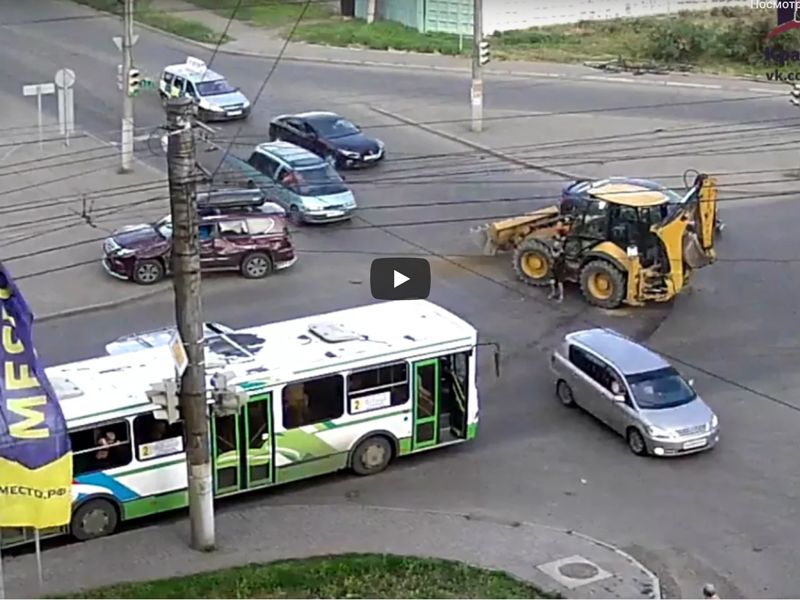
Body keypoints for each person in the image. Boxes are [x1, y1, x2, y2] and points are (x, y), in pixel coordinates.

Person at [548, 236, 566, 303]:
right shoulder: (557, 250)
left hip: (560, 269)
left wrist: (551, 250)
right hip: (554, 268)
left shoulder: (561, 253)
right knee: (552, 281)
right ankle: (553, 292)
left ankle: (561, 296)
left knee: (559, 283)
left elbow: (555, 255)